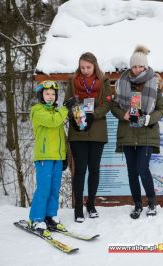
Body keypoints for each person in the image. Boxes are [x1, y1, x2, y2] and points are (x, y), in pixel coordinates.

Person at [111, 45, 163, 219]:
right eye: (134, 66)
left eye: (140, 66)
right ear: (130, 67)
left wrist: (149, 119)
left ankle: (151, 202)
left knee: (143, 168)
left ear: (145, 66)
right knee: (131, 171)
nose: (137, 69)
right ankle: (137, 204)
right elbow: (114, 106)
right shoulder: (121, 83)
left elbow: (161, 108)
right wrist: (123, 114)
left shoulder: (155, 83)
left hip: (147, 133)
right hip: (127, 133)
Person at [65, 52, 112, 223]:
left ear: (94, 66)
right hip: (78, 131)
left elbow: (108, 103)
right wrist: (75, 118)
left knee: (94, 169)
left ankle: (91, 204)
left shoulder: (104, 81)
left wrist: (95, 114)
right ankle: (78, 208)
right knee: (80, 170)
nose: (85, 70)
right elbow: (67, 102)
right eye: (82, 67)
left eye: (88, 67)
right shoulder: (73, 81)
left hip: (97, 130)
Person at [28, 80, 69, 235]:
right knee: (44, 189)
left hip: (57, 157)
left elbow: (60, 136)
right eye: (47, 94)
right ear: (41, 95)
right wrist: (65, 108)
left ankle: (50, 216)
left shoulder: (55, 111)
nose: (50, 96)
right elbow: (54, 122)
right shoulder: (37, 111)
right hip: (44, 156)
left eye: (53, 94)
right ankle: (37, 218)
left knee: (54, 189)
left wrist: (63, 156)